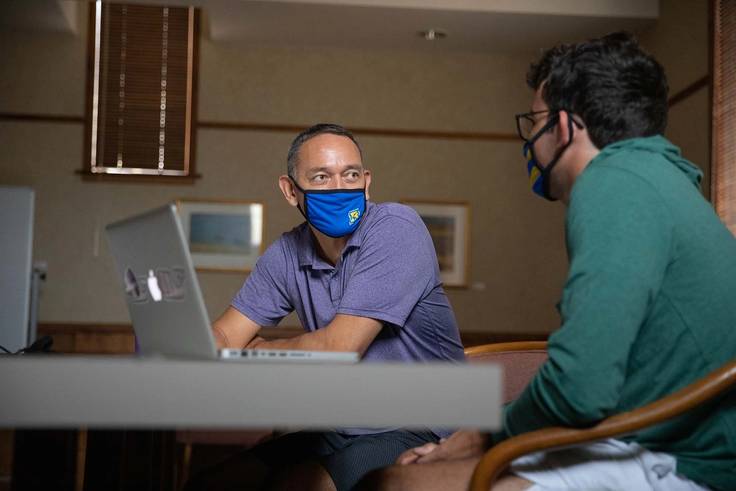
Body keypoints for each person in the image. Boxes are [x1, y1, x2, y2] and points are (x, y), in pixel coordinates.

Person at [357, 32, 736, 491]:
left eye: (533, 121)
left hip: (681, 463)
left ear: (563, 126)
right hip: (662, 439)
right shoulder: (661, 177)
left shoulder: (613, 186)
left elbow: (580, 388)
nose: (530, 139)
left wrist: (473, 438)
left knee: (393, 484)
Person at [184, 123, 465, 491]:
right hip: (345, 424)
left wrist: (257, 352)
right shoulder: (286, 253)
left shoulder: (396, 228)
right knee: (216, 482)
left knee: (296, 485)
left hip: (422, 423)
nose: (338, 188)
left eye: (350, 175)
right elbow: (224, 334)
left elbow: (339, 348)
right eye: (320, 176)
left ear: (366, 182)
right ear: (290, 190)